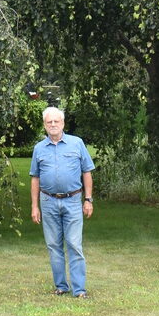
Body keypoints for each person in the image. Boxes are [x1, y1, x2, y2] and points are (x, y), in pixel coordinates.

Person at [30, 107, 94, 297]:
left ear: (63, 123)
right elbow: (35, 178)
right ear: (44, 125)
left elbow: (87, 171)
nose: (53, 125)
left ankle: (79, 290)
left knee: (74, 244)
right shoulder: (39, 148)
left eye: (56, 121)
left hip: (73, 201)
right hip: (48, 202)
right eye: (49, 122)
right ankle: (61, 286)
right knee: (53, 245)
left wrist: (88, 199)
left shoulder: (77, 143)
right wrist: (34, 206)